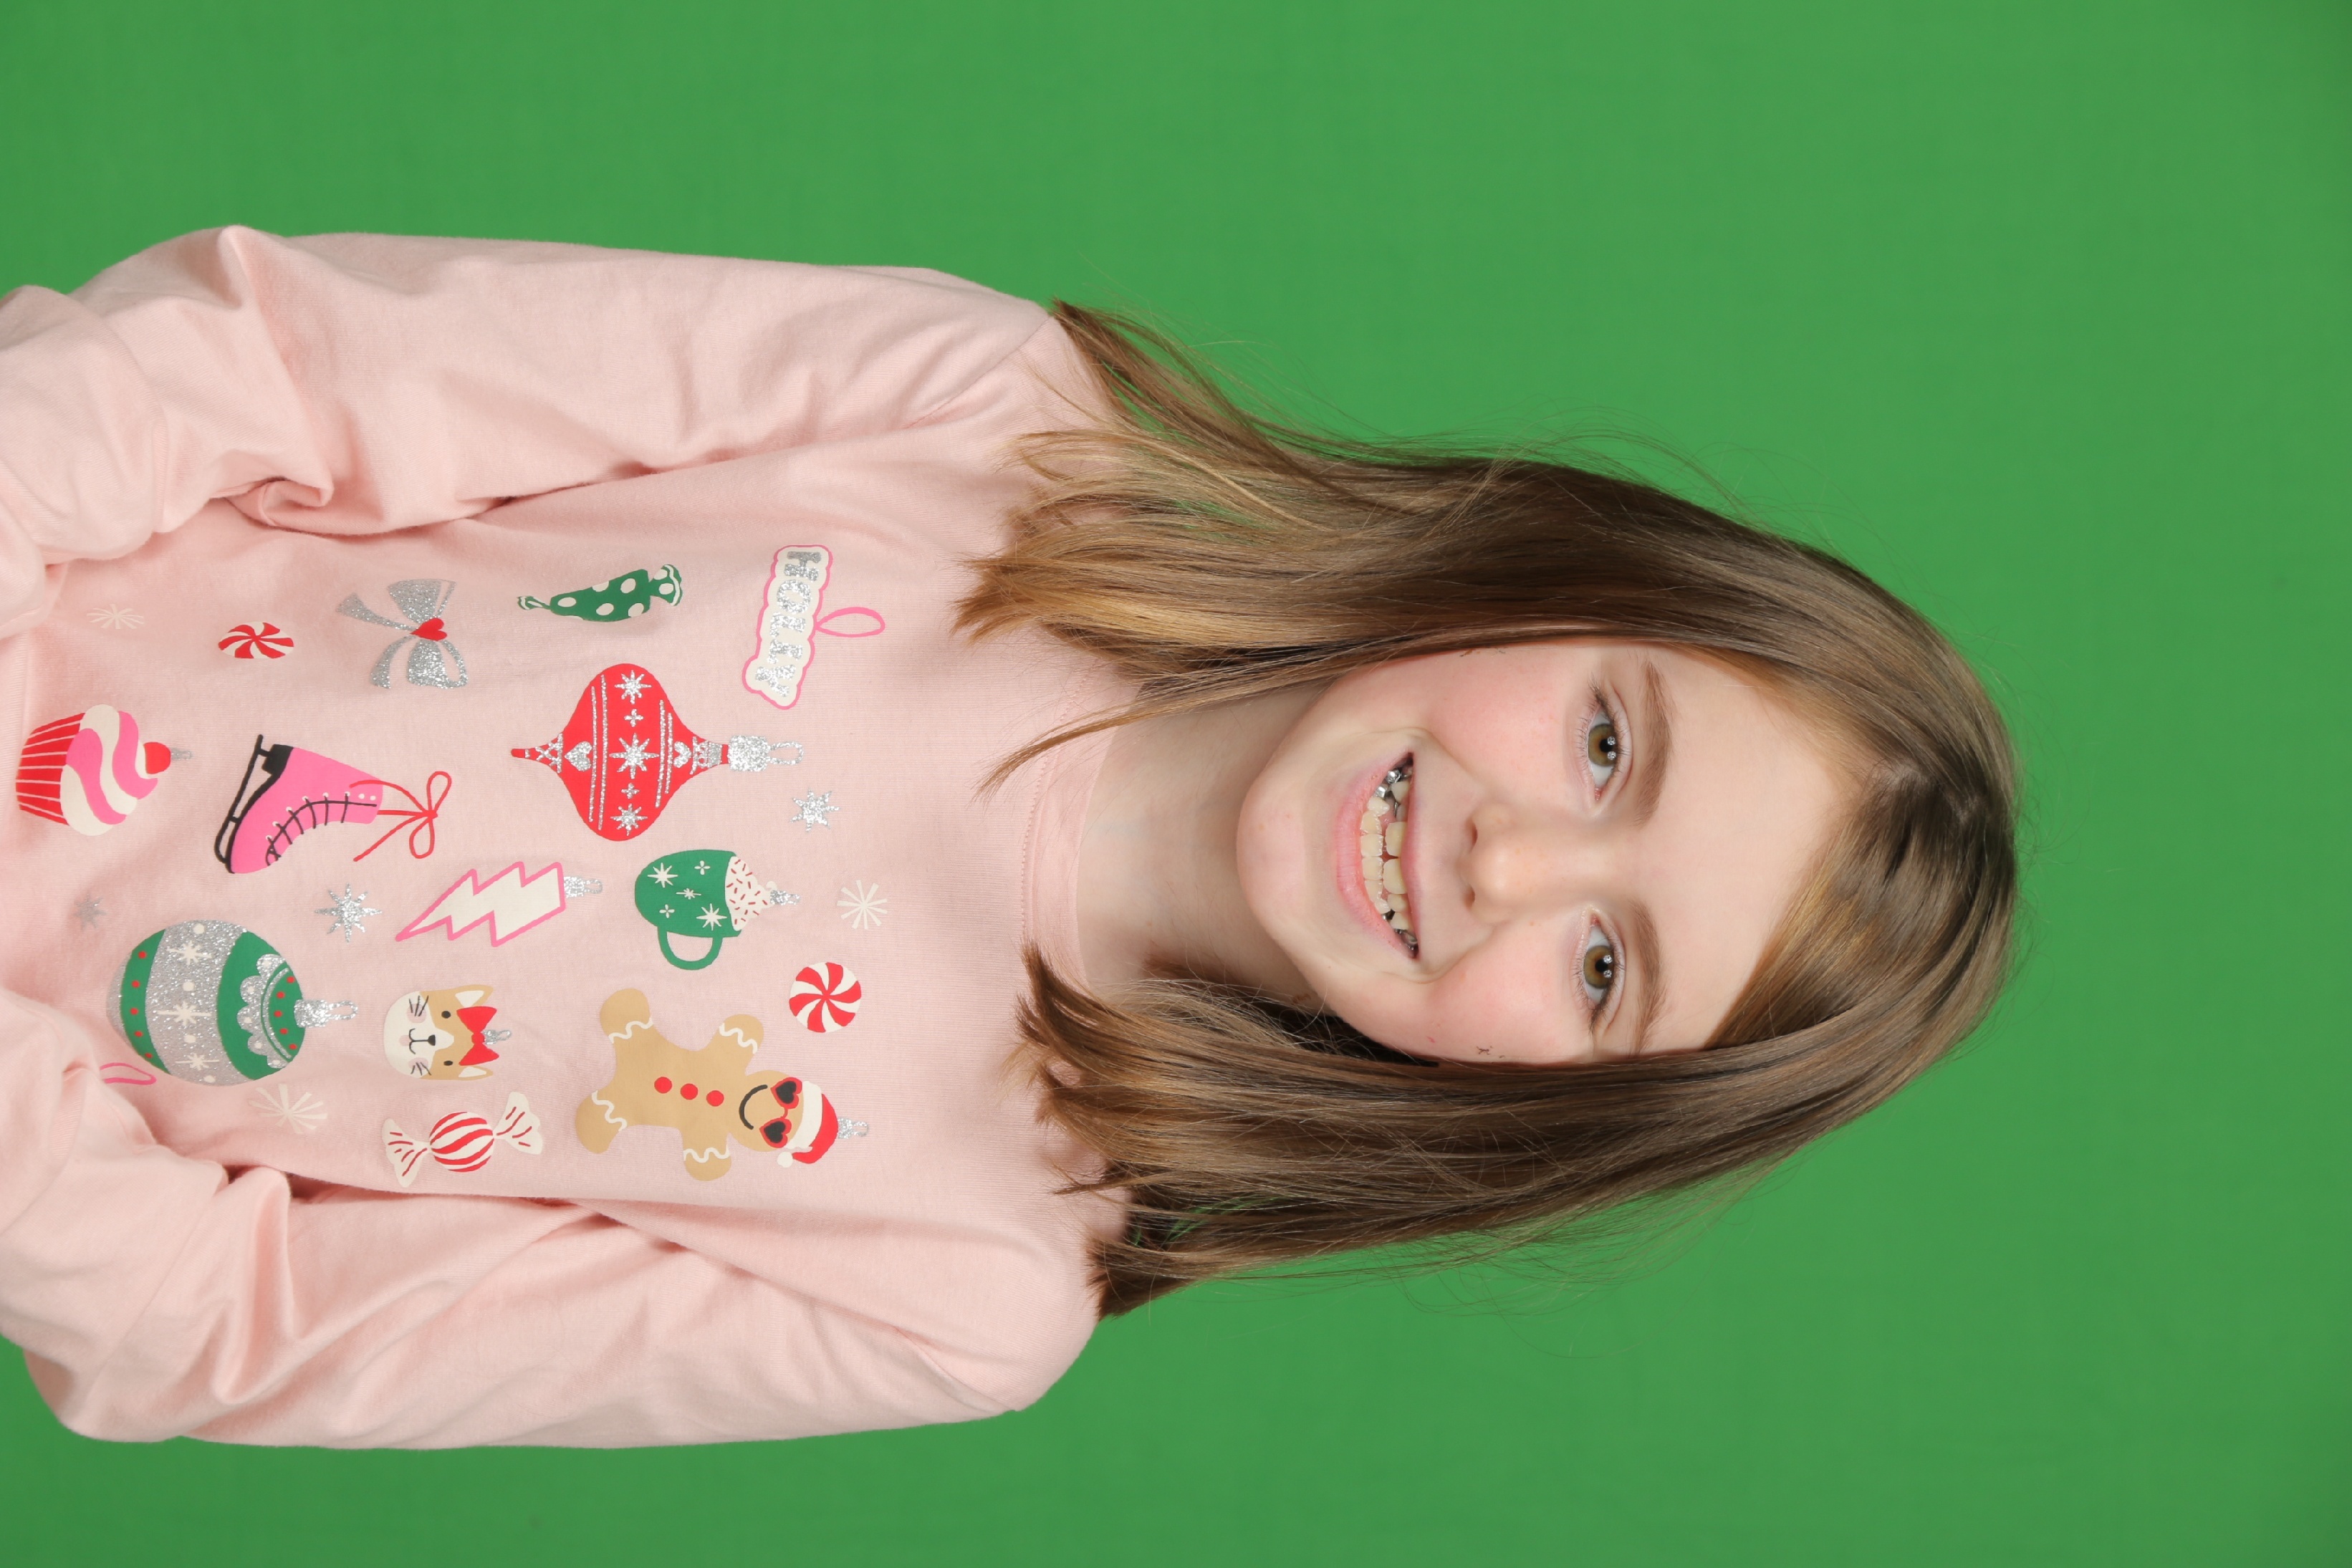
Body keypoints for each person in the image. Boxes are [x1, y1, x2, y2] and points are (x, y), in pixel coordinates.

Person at [0, 227, 2015, 1447]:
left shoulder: (956, 1290)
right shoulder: (966, 413)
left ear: (1544, 1111)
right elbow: (280, 366)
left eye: (1603, 965)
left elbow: (234, 1330)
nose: (1511, 865)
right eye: (1606, 744)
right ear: (1550, 587)